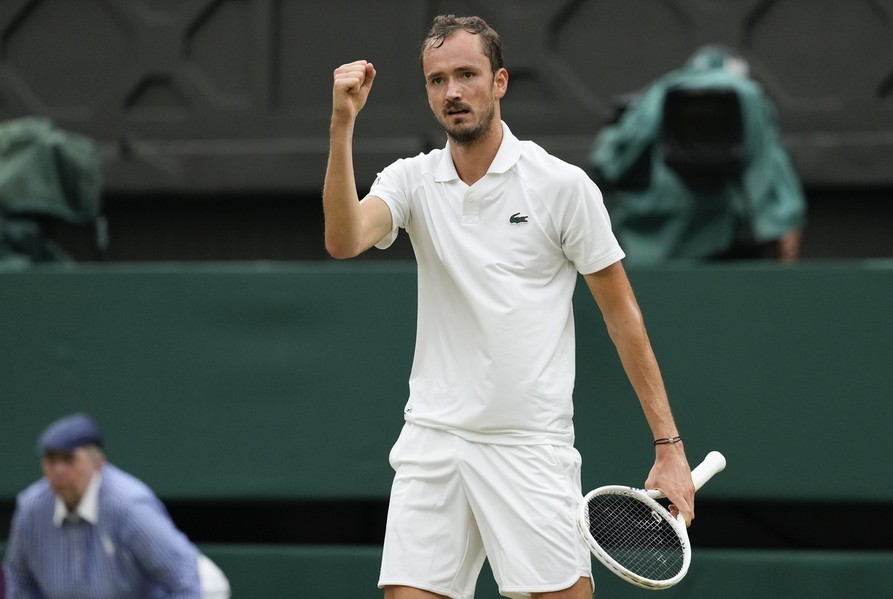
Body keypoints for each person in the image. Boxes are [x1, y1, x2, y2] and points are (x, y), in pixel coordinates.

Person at [324, 15, 694, 599]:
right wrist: (343, 125)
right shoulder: (410, 182)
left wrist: (668, 447)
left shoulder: (563, 187)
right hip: (434, 439)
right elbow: (343, 240)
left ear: (499, 83)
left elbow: (623, 316)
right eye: (437, 80)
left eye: (467, 75)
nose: (452, 93)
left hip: (529, 445)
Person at [588, 45, 807, 263]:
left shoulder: (660, 91)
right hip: (731, 235)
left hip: (657, 239)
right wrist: (783, 224)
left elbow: (610, 161)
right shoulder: (749, 94)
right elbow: (771, 163)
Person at [2, 413, 230, 599]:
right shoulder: (31, 509)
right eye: (51, 460)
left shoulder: (130, 507)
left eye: (69, 460)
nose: (58, 470)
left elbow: (185, 580)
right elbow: (18, 582)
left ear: (97, 463)